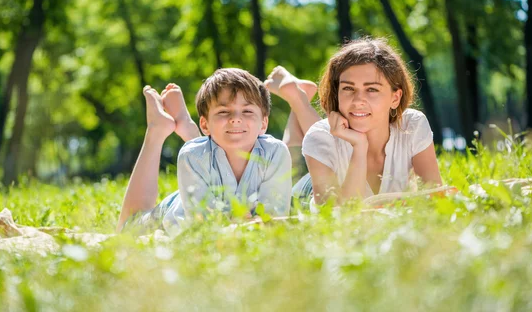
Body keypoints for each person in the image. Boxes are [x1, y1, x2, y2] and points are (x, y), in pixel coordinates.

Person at [263, 37, 443, 209]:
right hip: (307, 194)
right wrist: (359, 147)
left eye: (372, 89)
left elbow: (435, 195)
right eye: (348, 88)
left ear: (395, 98)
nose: (358, 100)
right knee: (293, 160)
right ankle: (297, 98)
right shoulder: (319, 135)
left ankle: (298, 97)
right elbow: (341, 216)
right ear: (337, 93)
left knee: (325, 136)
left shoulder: (412, 125)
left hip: (329, 155)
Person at [117, 68, 292, 234]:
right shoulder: (192, 155)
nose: (236, 119)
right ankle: (157, 128)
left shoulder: (275, 152)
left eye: (247, 111)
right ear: (205, 124)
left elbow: (274, 216)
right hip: (174, 212)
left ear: (263, 124)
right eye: (223, 112)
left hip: (203, 183)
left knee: (203, 153)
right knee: (127, 229)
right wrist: (244, 221)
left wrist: (237, 221)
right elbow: (202, 223)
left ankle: (185, 125)